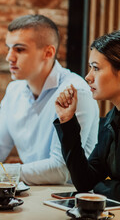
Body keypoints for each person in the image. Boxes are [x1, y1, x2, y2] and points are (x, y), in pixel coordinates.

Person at [0, 14, 99, 185]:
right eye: (8, 48)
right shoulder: (14, 90)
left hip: (68, 199)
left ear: (48, 52)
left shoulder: (75, 92)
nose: (9, 57)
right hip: (31, 194)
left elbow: (61, 169)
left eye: (19, 49)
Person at [54, 30, 120, 200]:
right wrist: (67, 121)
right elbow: (85, 181)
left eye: (96, 68)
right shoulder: (112, 119)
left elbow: (94, 186)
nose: (88, 76)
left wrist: (99, 187)